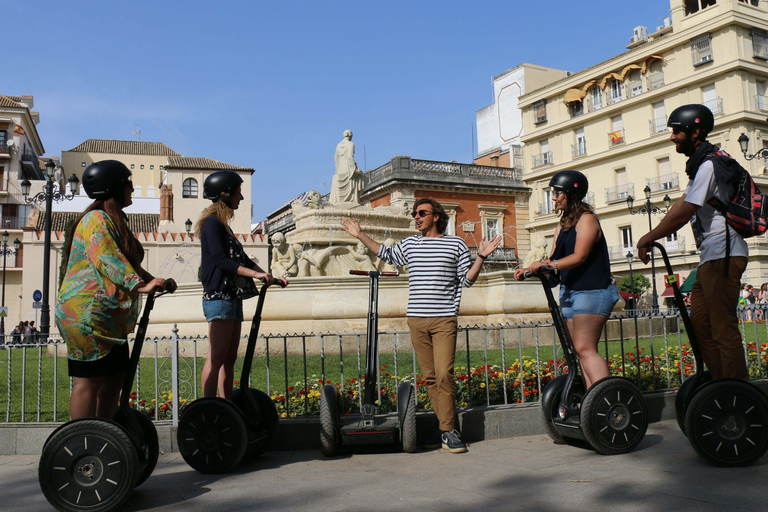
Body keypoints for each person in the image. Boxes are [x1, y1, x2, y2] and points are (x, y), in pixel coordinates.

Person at [340, 198, 502, 454]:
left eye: (421, 213)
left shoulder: (455, 243)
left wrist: (480, 256)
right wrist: (360, 234)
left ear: (436, 216)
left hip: (444, 319)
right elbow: (385, 253)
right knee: (430, 378)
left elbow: (467, 281)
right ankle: (446, 429)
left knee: (444, 374)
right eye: (415, 213)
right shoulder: (411, 244)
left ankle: (448, 430)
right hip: (416, 319)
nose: (416, 217)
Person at [636, 104, 749, 381]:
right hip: (712, 256)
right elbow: (680, 206)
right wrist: (647, 236)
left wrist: (648, 237)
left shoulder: (710, 164)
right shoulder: (701, 165)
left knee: (722, 327)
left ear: (695, 131)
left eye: (677, 131)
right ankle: (720, 383)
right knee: (699, 323)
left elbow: (687, 211)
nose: (673, 137)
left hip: (724, 252)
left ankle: (740, 394)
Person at [56, 160, 170, 420]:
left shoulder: (112, 219)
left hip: (107, 316)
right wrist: (140, 285)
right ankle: (83, 439)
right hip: (86, 315)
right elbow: (106, 258)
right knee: (89, 381)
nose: (132, 188)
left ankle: (105, 436)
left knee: (115, 378)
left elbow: (126, 262)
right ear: (114, 187)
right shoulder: (95, 219)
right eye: (128, 183)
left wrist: (154, 280)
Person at [515, 170, 619, 390]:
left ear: (572, 194)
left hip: (592, 291)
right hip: (570, 291)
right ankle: (593, 399)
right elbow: (553, 259)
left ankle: (607, 399)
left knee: (585, 348)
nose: (553, 197)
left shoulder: (587, 219)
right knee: (576, 349)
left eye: (557, 193)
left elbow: (579, 256)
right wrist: (530, 269)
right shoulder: (563, 225)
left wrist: (548, 265)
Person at [197, 170, 286, 400]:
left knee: (229, 358)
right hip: (219, 298)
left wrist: (269, 276)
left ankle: (227, 407)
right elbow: (220, 260)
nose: (242, 198)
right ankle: (208, 407)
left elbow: (242, 260)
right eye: (238, 193)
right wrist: (255, 276)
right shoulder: (211, 224)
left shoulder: (223, 225)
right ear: (225, 194)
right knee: (216, 357)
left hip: (232, 297)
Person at [330, 129, 364, 204]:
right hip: (348, 168)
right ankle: (353, 200)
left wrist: (337, 169)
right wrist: (354, 169)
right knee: (362, 177)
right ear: (350, 135)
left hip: (340, 169)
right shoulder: (351, 144)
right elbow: (350, 157)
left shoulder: (338, 145)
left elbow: (335, 159)